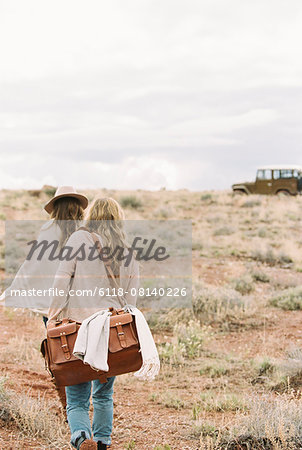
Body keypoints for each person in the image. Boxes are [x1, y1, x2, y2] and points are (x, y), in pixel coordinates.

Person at [48, 197, 139, 450]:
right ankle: (101, 442)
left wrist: (53, 317)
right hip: (110, 333)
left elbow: (61, 280)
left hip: (78, 330)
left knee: (76, 398)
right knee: (104, 394)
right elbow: (131, 296)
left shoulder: (78, 239)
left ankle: (80, 437)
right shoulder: (127, 249)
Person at [0, 186, 88, 322]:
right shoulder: (86, 231)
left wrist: (14, 290)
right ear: (77, 206)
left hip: (52, 301)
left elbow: (33, 265)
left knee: (55, 338)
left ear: (57, 208)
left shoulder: (48, 230)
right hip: (81, 302)